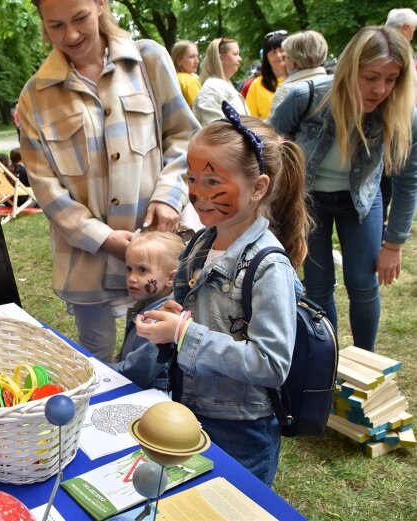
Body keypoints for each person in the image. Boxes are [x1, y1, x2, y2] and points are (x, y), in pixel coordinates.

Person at [135, 101, 311, 485]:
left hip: (242, 430)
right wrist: (169, 321)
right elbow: (196, 316)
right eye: (191, 179)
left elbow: (270, 363)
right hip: (189, 412)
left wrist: (184, 333)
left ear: (258, 188)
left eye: (212, 182)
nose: (197, 194)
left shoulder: (268, 267)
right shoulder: (200, 243)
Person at [18, 0, 198, 361]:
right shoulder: (34, 97)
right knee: (95, 359)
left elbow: (184, 138)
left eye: (80, 18)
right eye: (55, 25)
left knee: (158, 354)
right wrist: (102, 239)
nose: (70, 35)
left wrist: (169, 195)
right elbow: (46, 189)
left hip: (159, 254)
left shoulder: (149, 60)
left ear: (101, 4)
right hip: (87, 264)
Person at [271, 26, 417, 351]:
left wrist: (393, 243)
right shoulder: (304, 98)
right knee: (318, 287)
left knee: (363, 285)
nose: (380, 89)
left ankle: (367, 362)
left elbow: (408, 181)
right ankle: (327, 363)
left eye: (391, 79)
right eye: (371, 76)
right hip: (308, 203)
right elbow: (266, 154)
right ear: (351, 68)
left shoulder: (403, 114)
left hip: (361, 201)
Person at [109, 231, 185, 391]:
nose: (132, 277)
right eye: (129, 268)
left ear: (171, 278)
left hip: (151, 398)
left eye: (142, 270)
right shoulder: (147, 304)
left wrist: (100, 372)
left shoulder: (161, 319)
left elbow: (135, 373)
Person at [381, 8, 417, 225]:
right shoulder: (396, 50)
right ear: (406, 28)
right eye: (413, 30)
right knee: (387, 180)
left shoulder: (376, 43)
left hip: (399, 123)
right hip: (391, 125)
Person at [269, 30, 328, 117]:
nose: (285, 61)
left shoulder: (285, 91)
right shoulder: (336, 84)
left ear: (294, 60)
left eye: (285, 57)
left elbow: (273, 129)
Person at [193, 37, 247, 126]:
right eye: (235, 54)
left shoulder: (223, 85)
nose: (240, 58)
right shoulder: (212, 88)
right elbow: (214, 129)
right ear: (221, 57)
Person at [246, 30, 288, 119]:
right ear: (266, 57)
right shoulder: (256, 85)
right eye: (273, 52)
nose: (279, 55)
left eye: (281, 50)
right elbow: (251, 120)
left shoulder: (300, 78)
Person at [171, 40, 202, 107]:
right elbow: (199, 110)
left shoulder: (170, 78)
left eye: (197, 56)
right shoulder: (189, 81)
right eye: (192, 57)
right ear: (179, 61)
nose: (197, 61)